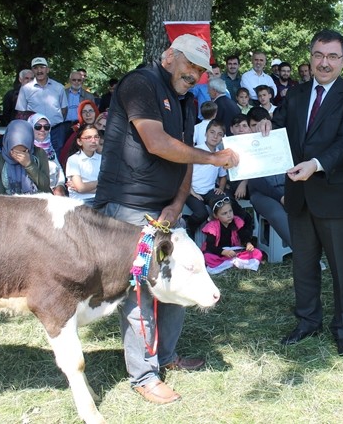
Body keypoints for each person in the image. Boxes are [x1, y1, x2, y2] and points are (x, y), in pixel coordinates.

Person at [93, 34, 238, 405]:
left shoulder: (187, 100)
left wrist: (176, 205)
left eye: (201, 69)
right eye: (189, 64)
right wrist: (215, 159)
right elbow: (156, 143)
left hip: (167, 208)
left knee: (177, 280)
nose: (194, 74)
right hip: (128, 207)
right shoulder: (140, 82)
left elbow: (186, 156)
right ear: (170, 56)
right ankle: (143, 374)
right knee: (141, 290)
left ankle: (167, 355)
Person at [259, 29, 343, 356]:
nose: (324, 62)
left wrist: (316, 164)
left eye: (333, 56)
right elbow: (279, 125)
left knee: (341, 268)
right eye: (319, 55)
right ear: (310, 57)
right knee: (303, 263)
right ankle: (308, 320)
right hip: (298, 196)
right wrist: (266, 124)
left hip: (336, 195)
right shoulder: (296, 94)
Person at [15, 57, 68, 155]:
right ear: (32, 71)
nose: (39, 70)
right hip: (36, 131)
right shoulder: (26, 89)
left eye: (42, 67)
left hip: (56, 130)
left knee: (58, 157)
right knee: (36, 158)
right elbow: (21, 113)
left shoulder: (59, 87)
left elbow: (64, 109)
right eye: (35, 68)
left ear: (47, 69)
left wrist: (54, 121)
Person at [185, 120, 228, 236]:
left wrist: (221, 188)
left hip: (209, 191)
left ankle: (219, 237)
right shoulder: (196, 150)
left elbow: (222, 176)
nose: (215, 136)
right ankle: (187, 230)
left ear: (222, 137)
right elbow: (184, 172)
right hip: (191, 190)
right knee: (201, 214)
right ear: (206, 134)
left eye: (219, 134)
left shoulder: (220, 155)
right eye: (212, 132)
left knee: (224, 204)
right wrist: (191, 190)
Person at [201, 196, 262, 275]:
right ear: (216, 216)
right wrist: (223, 252)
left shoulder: (236, 221)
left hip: (234, 251)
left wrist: (248, 243)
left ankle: (229, 263)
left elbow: (243, 235)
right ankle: (233, 263)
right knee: (207, 257)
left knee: (257, 252)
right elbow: (210, 247)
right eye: (224, 213)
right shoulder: (212, 227)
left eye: (230, 211)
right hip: (219, 252)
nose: (229, 215)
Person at [0, 120, 52, 195]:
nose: (19, 157)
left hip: (38, 202)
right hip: (8, 204)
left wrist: (29, 165)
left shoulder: (39, 154)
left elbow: (45, 186)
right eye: (14, 151)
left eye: (24, 151)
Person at [28, 113, 66, 196]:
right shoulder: (27, 149)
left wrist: (60, 185)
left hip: (54, 194)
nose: (42, 130)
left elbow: (59, 169)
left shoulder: (50, 149)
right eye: (38, 127)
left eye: (46, 127)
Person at [65, 124, 102, 204]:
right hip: (80, 202)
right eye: (88, 138)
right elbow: (80, 188)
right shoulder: (73, 159)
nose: (93, 140)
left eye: (96, 137)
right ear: (79, 141)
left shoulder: (102, 159)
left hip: (100, 199)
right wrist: (102, 181)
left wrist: (85, 187)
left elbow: (109, 187)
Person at [58, 100, 100, 169]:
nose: (88, 114)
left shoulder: (102, 128)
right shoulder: (75, 133)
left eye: (91, 111)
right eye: (84, 112)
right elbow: (65, 155)